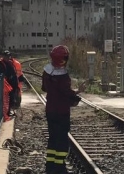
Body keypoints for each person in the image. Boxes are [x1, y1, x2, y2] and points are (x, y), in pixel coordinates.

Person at [42, 45, 85, 173]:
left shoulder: (46, 72)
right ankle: (59, 167)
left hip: (50, 111)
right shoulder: (63, 76)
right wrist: (78, 92)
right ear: (63, 59)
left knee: (53, 138)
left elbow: (45, 88)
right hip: (62, 112)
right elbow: (67, 93)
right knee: (61, 140)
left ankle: (50, 166)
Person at [0, 50, 19, 117]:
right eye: (6, 56)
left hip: (12, 84)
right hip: (7, 84)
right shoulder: (1, 63)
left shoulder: (10, 63)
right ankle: (6, 112)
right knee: (7, 98)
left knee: (11, 98)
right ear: (3, 56)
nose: (7, 57)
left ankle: (9, 111)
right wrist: (9, 77)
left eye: (8, 56)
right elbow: (1, 73)